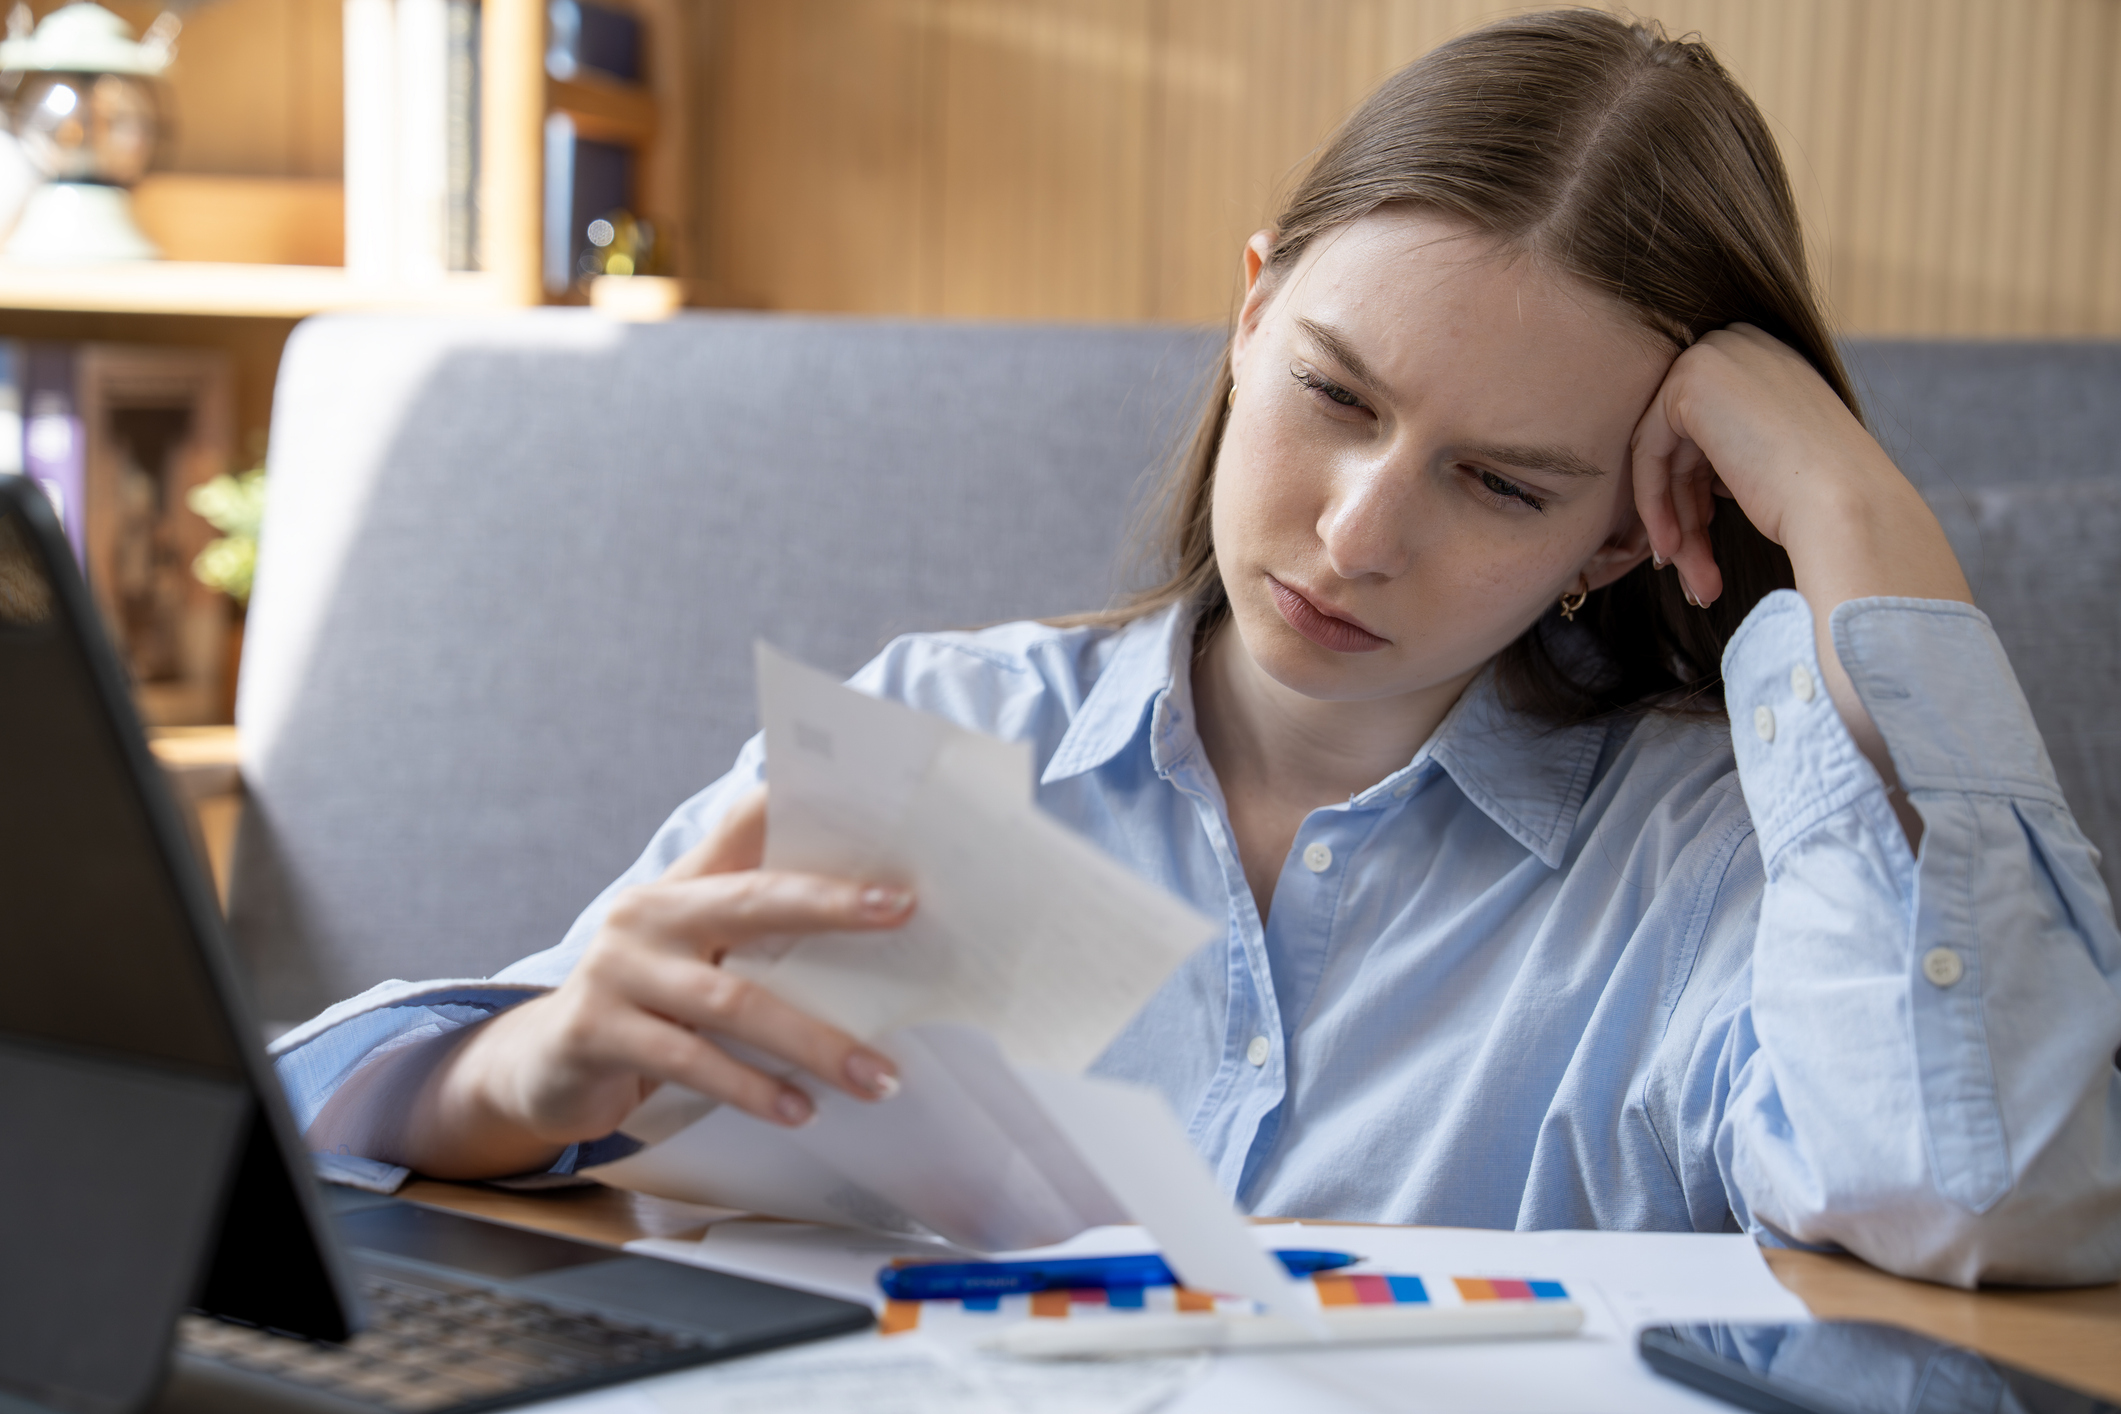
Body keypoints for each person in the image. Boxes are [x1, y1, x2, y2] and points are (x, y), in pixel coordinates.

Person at [279, 10, 2121, 1288]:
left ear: (1627, 528)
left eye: (1500, 479)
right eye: (1332, 392)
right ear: (1251, 313)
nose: (1355, 532)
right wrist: (509, 1083)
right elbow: (299, 1099)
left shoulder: (1707, 870)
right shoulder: (944, 737)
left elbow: (1982, 1191)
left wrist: (1857, 525)